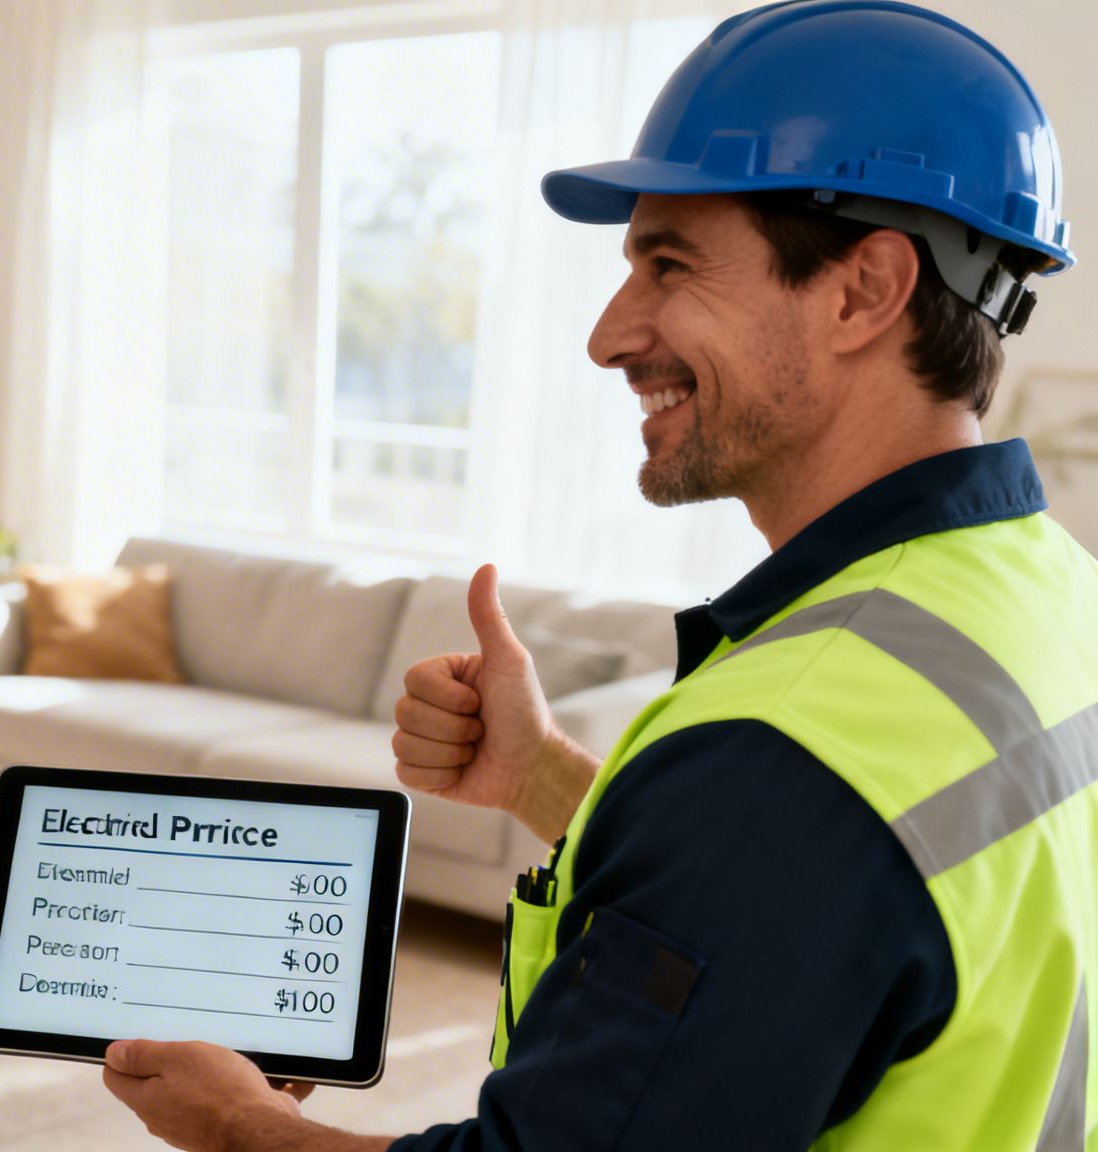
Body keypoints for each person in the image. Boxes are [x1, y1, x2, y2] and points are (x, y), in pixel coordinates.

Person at [102, 2, 1097, 1148]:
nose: (608, 334)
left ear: (861, 291)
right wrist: (537, 777)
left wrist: (232, 1122)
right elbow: (830, 916)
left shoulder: (781, 757)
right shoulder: (1046, 594)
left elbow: (793, 845)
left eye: (666, 265)